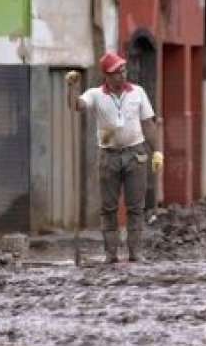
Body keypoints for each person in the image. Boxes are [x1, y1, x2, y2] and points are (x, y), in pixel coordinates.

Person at [65, 52, 163, 263]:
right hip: (108, 156)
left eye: (123, 70)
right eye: (117, 72)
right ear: (107, 75)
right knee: (108, 208)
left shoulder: (138, 92)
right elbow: (76, 106)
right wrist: (71, 87)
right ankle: (111, 254)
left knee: (136, 207)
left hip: (135, 153)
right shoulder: (95, 94)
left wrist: (157, 151)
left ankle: (135, 252)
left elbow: (148, 123)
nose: (122, 74)